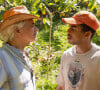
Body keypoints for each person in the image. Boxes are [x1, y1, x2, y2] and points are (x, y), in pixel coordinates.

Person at [56, 11, 100, 90]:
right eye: (69, 27)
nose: (68, 31)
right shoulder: (67, 55)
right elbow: (61, 86)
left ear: (87, 34)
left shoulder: (98, 58)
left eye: (73, 28)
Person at [0, 6, 41, 90]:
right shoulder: (2, 58)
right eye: (32, 26)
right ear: (18, 31)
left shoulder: (24, 54)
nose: (36, 29)